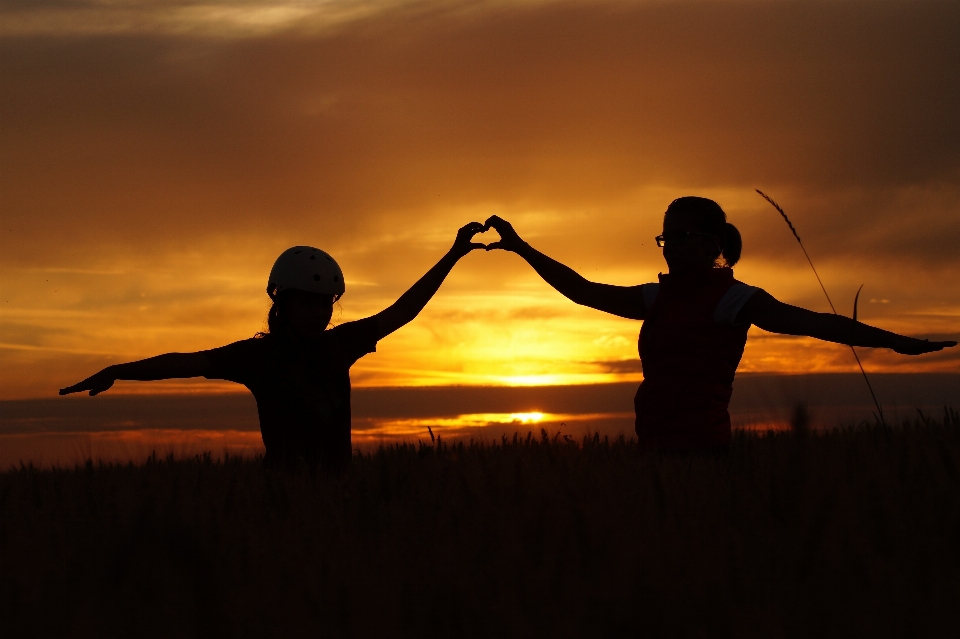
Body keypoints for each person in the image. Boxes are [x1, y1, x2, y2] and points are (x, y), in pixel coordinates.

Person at [484, 197, 956, 452]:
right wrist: (521, 247)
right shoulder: (657, 296)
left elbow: (817, 324)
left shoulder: (735, 299)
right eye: (665, 237)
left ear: (713, 245)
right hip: (652, 447)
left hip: (704, 451)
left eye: (682, 237)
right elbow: (584, 291)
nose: (670, 247)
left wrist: (899, 344)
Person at [60, 222, 489, 470]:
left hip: (340, 497)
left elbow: (402, 311)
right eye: (306, 303)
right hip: (284, 497)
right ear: (281, 303)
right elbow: (184, 363)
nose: (318, 313)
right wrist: (118, 370)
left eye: (325, 305)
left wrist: (453, 254)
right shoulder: (256, 357)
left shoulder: (342, 345)